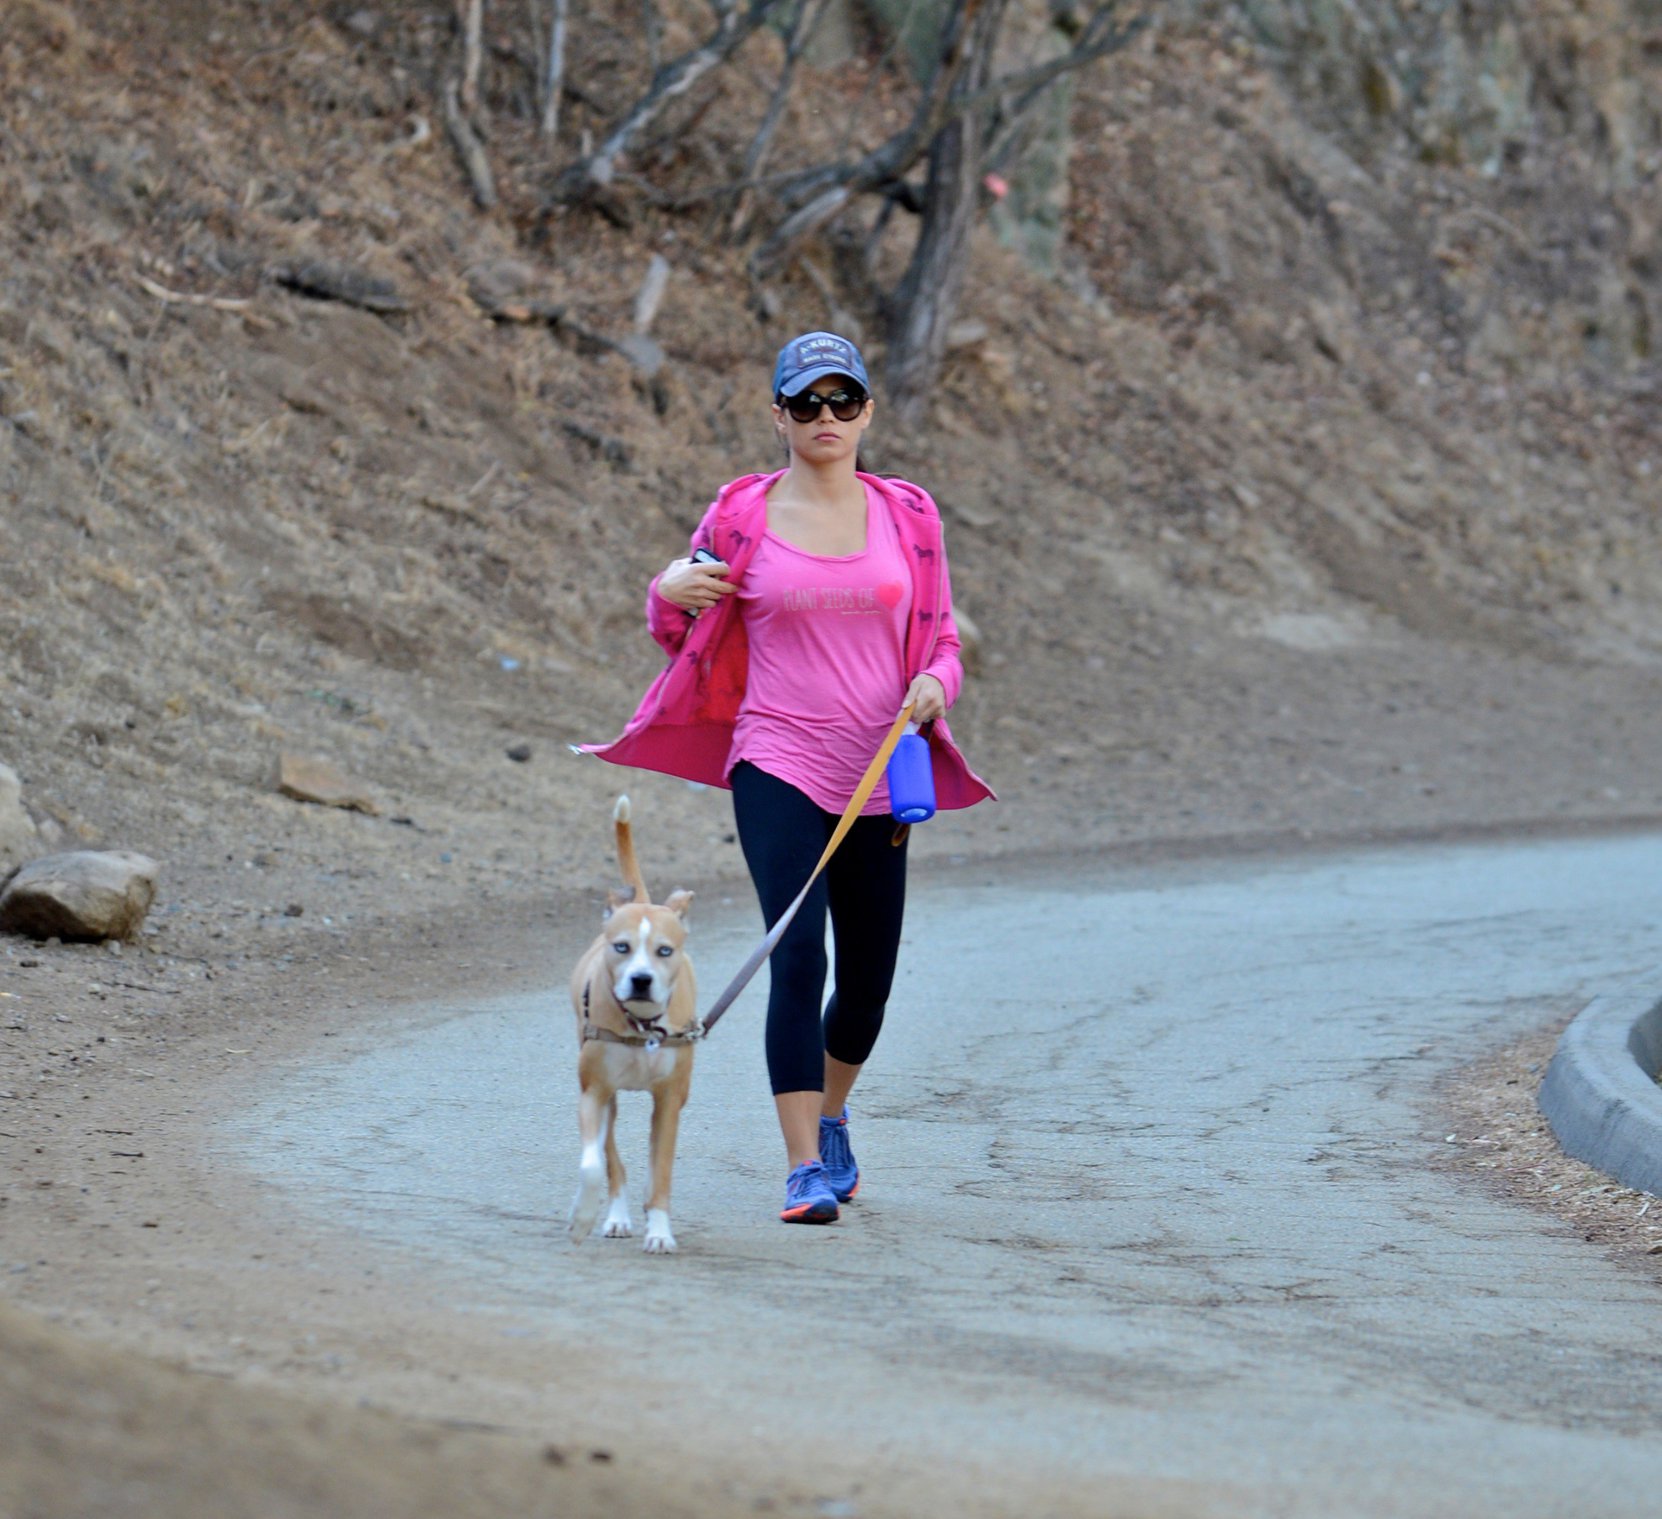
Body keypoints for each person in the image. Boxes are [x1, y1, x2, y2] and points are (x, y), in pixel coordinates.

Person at [584, 331, 993, 1225]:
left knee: (870, 979)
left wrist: (935, 684)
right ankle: (804, 1165)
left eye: (843, 401)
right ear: (779, 416)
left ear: (867, 412)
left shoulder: (910, 516)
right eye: (805, 403)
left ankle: (834, 1111)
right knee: (796, 951)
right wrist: (665, 587)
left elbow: (943, 643)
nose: (825, 418)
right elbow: (679, 618)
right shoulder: (742, 514)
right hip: (776, 757)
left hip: (882, 767)